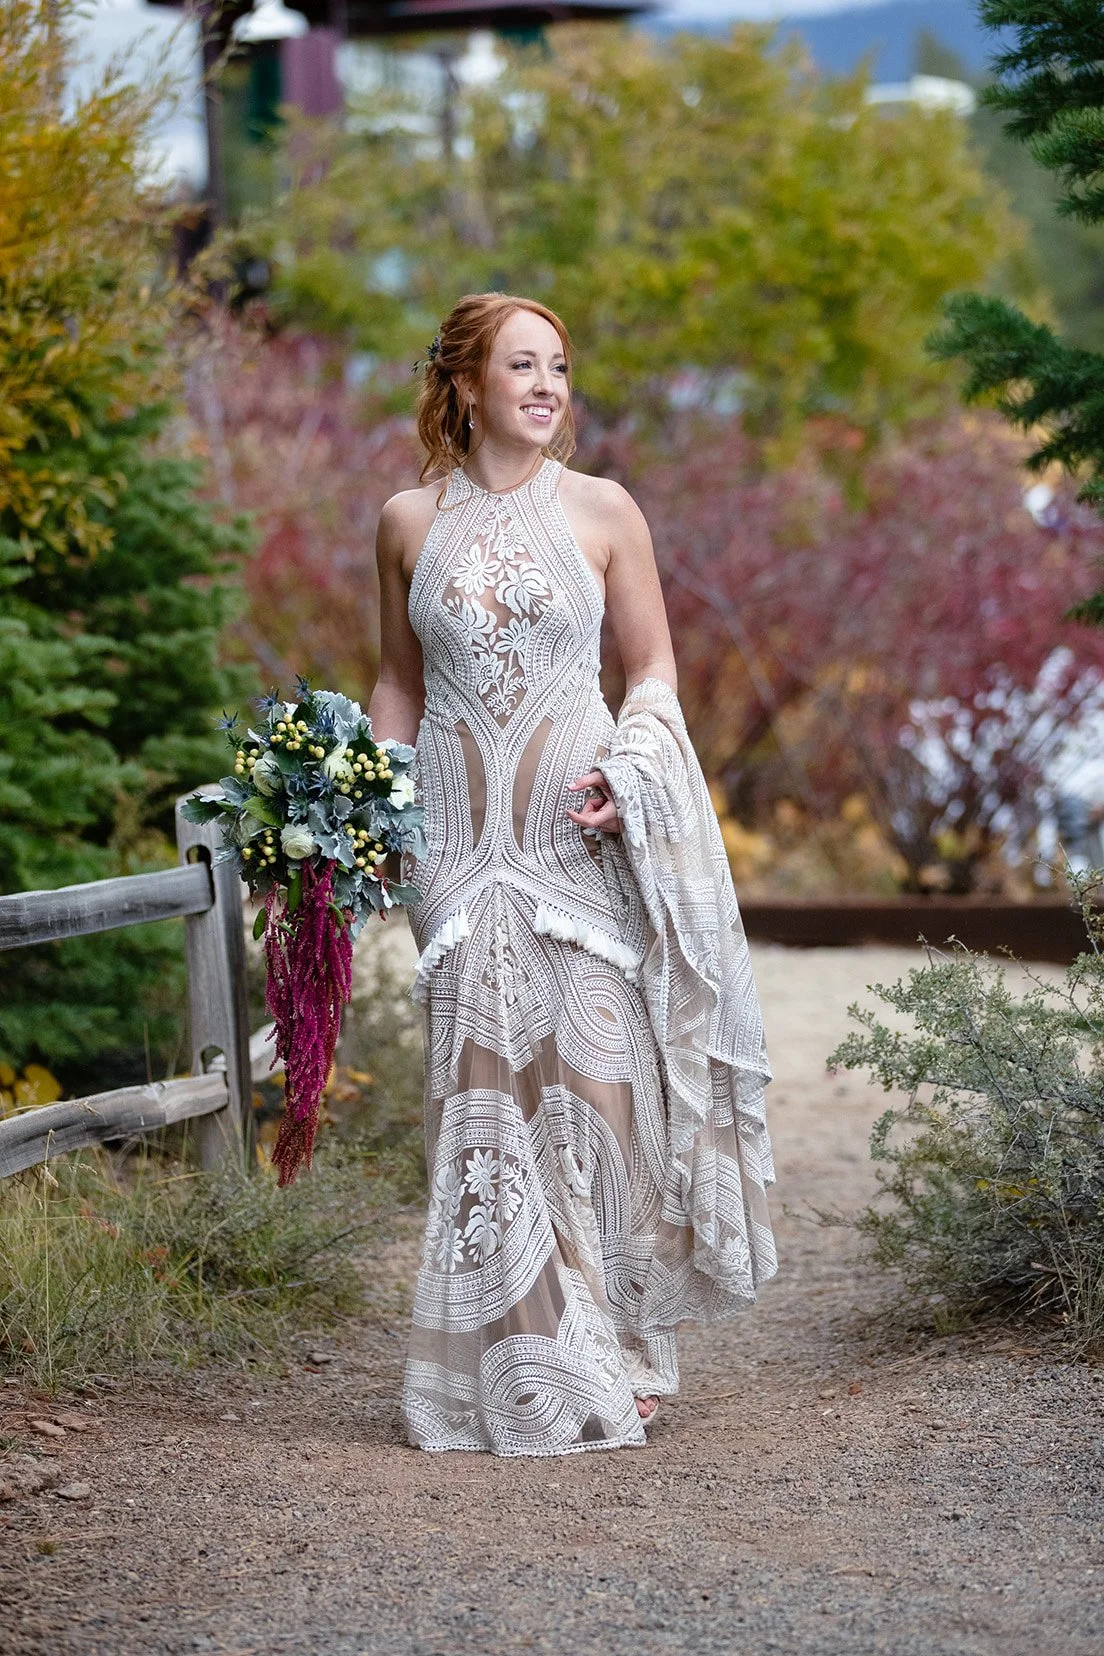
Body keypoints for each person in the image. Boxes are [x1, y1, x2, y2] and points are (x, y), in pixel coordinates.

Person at [370, 292, 776, 1457]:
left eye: (558, 367)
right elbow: (397, 680)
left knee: (602, 1081)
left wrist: (633, 777)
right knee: (486, 1081)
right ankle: (529, 1356)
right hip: (451, 842)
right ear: (465, 385)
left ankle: (620, 1339)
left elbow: (653, 673)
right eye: (521, 366)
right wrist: (368, 803)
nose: (547, 386)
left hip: (577, 831)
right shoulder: (405, 521)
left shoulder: (603, 511)